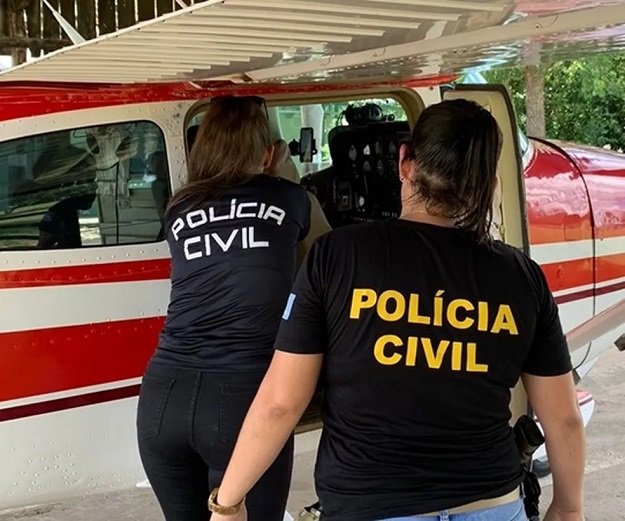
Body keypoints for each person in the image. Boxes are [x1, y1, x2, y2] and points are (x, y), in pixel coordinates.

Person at [208, 100, 586, 521]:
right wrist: (568, 508)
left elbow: (281, 403)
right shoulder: (521, 276)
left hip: (368, 506)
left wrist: (228, 503)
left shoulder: (336, 255)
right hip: (492, 506)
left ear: (405, 161)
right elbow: (563, 418)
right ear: (489, 181)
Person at [136, 96, 312, 521]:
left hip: (162, 397)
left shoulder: (179, 206)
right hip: (242, 400)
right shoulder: (290, 198)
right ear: (268, 153)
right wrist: (284, 172)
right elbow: (315, 257)